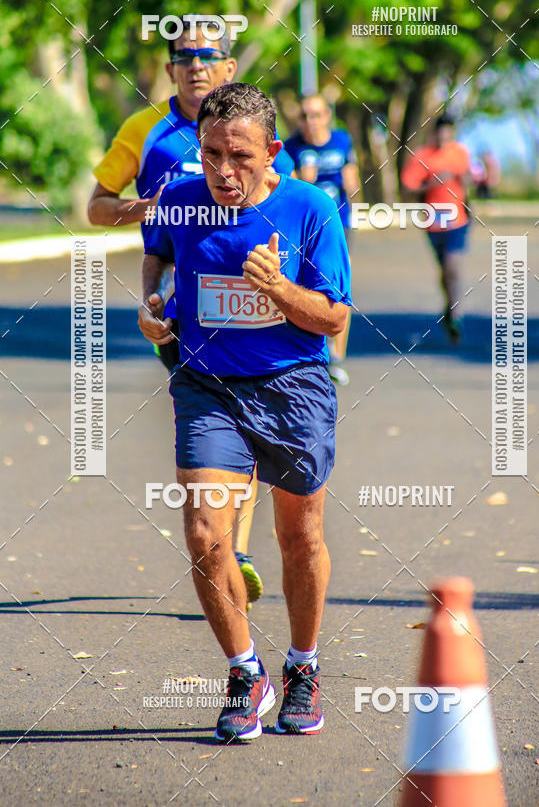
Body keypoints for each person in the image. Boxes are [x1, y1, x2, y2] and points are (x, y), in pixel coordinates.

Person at [138, 82, 351, 741]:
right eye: (210, 155)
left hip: (293, 386)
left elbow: (335, 313)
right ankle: (243, 671)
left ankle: (304, 666)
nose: (223, 172)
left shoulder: (309, 208)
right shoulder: (179, 201)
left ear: (273, 152)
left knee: (300, 537)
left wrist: (280, 289)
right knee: (206, 535)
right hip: (208, 386)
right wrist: (151, 308)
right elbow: (158, 260)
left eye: (239, 157)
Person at [88, 18, 292, 605]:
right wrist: (154, 207)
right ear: (169, 67)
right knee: (216, 419)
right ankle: (224, 541)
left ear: (230, 66)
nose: (195, 64)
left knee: (246, 419)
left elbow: (291, 204)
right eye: (183, 56)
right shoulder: (144, 129)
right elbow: (97, 207)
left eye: (208, 54)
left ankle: (238, 550)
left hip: (255, 302)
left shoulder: (251, 123)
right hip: (182, 311)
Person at [285, 94, 360, 386]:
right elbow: (292, 191)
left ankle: (337, 357)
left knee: (340, 287)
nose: (310, 122)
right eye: (304, 116)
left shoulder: (341, 141)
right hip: (306, 227)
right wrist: (306, 180)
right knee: (306, 287)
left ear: (327, 116)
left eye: (316, 115)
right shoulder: (292, 148)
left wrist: (358, 202)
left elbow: (351, 179)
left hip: (338, 225)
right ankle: (311, 352)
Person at [402, 114, 471, 343]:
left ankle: (455, 313)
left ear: (451, 133)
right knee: (444, 270)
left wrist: (473, 178)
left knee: (453, 266)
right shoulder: (423, 156)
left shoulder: (460, 154)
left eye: (448, 131)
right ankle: (449, 305)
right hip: (433, 221)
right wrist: (435, 181)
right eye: (440, 131)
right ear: (435, 133)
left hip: (458, 220)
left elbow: (471, 180)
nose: (444, 135)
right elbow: (409, 188)